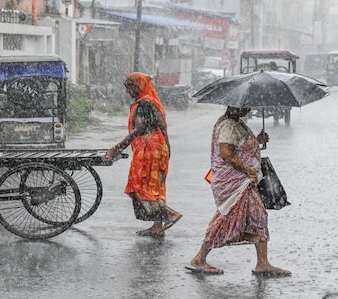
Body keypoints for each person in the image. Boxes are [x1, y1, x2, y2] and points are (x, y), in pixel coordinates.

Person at [187, 106, 291, 277]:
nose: (247, 110)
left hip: (245, 182)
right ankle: (199, 258)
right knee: (227, 218)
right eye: (243, 107)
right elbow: (227, 153)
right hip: (235, 182)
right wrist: (247, 169)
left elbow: (239, 148)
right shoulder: (228, 125)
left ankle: (263, 264)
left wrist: (256, 141)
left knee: (258, 216)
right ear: (232, 105)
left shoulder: (236, 123)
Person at [105, 72, 182, 238]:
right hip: (157, 148)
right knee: (155, 187)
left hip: (149, 149)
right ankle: (157, 226)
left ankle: (170, 215)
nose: (127, 92)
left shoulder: (144, 104)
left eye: (129, 87)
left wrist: (116, 148)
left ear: (138, 86)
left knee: (141, 186)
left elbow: (138, 129)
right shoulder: (150, 102)